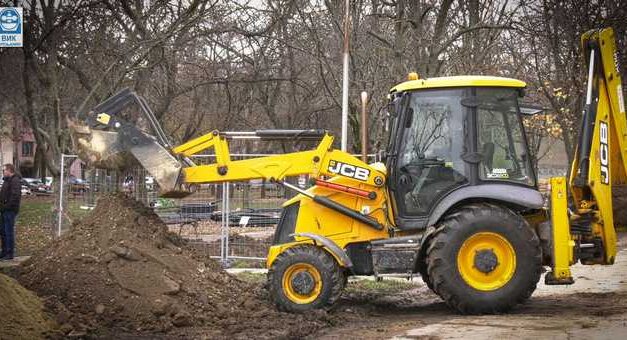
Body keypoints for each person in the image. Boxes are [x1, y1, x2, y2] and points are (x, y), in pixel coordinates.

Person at [0, 164, 21, 260]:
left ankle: (9, 253)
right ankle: (4, 251)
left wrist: (6, 206)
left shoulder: (15, 180)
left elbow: (15, 196)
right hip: (4, 210)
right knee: (3, 231)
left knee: (8, 232)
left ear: (9, 170)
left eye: (4, 170)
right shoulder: (6, 180)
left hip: (10, 211)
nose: (3, 172)